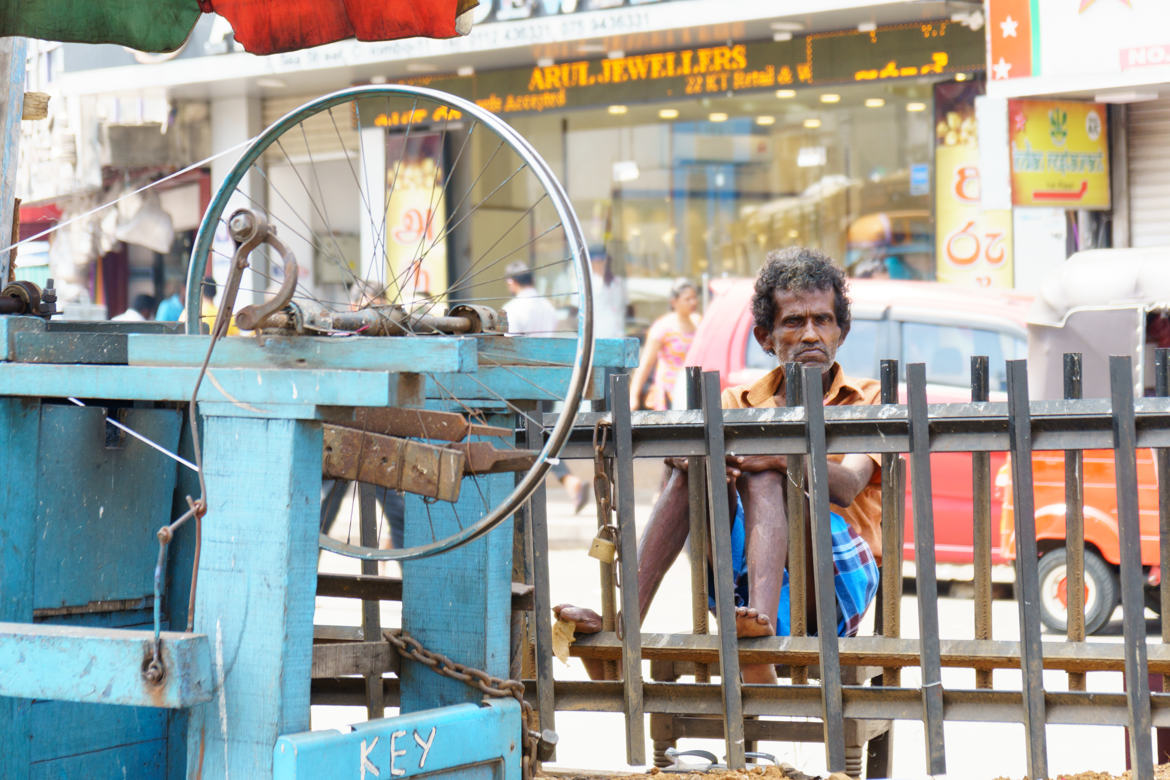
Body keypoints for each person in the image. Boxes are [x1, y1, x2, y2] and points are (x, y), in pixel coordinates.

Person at [557, 247, 881, 684]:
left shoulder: (866, 399)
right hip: (744, 578)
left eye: (822, 320)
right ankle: (623, 625)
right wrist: (696, 459)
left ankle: (757, 635)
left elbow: (849, 485)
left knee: (766, 466)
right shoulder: (737, 403)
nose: (809, 334)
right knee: (699, 461)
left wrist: (784, 458)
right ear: (766, 337)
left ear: (840, 331)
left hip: (832, 583)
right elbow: (706, 489)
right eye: (793, 322)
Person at [503, 261, 590, 513]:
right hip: (547, 379)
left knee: (527, 438)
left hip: (523, 381)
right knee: (541, 434)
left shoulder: (511, 309)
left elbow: (510, 348)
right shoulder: (548, 307)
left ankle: (561, 483)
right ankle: (567, 482)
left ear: (511, 282)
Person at [628, 278, 700, 411]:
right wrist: (633, 396)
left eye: (694, 298)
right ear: (674, 302)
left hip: (693, 388)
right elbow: (646, 364)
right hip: (669, 391)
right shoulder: (663, 326)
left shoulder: (698, 322)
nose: (693, 302)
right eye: (687, 299)